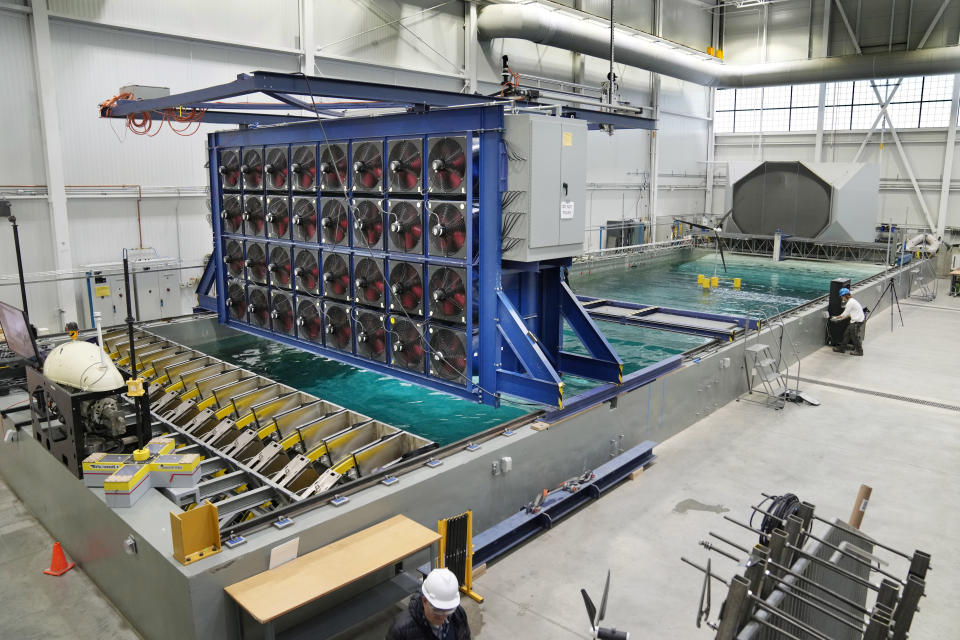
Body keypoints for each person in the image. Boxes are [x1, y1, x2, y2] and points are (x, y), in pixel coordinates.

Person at [387, 568, 471, 640]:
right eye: (437, 609)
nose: (443, 616)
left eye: (449, 610)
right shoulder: (400, 631)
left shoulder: (459, 615)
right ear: (424, 600)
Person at [829, 287, 864, 355]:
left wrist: (836, 318)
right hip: (856, 319)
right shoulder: (852, 301)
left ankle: (859, 351)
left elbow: (844, 314)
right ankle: (842, 349)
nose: (842, 298)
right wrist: (840, 319)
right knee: (846, 335)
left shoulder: (850, 303)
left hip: (856, 321)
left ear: (845, 295)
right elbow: (849, 315)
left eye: (842, 296)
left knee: (854, 337)